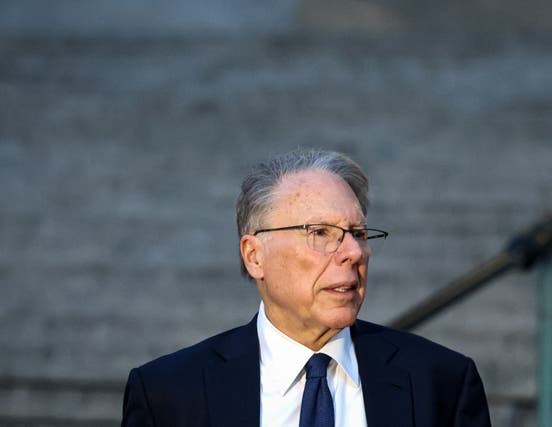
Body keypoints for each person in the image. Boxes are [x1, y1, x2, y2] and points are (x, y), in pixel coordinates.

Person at [121, 148, 491, 427]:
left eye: (359, 234)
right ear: (254, 256)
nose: (353, 252)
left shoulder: (442, 383)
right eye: (320, 233)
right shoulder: (169, 394)